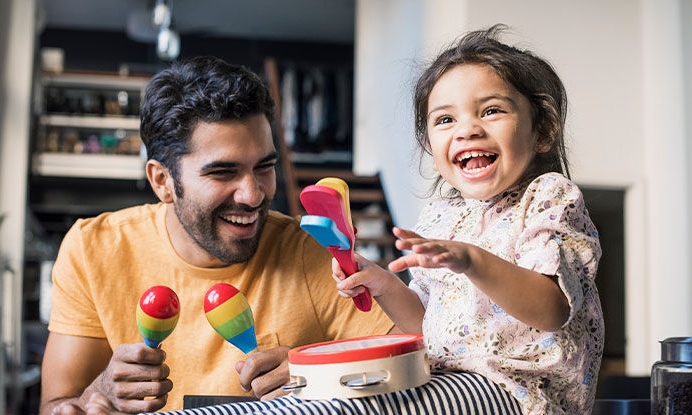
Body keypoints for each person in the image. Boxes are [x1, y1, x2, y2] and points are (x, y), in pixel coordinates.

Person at [139, 25, 602, 415]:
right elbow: (424, 326)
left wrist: (471, 260)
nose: (467, 129)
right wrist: (383, 284)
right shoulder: (444, 217)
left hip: (516, 394)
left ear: (542, 129)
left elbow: (553, 309)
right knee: (314, 400)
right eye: (444, 120)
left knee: (345, 406)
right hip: (448, 384)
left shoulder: (549, 198)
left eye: (492, 110)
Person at [40, 56, 394, 415]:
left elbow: (414, 370)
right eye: (223, 173)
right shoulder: (92, 248)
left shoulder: (311, 251)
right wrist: (97, 393)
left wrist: (322, 375)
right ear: (162, 181)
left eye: (264, 167)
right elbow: (55, 406)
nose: (253, 195)